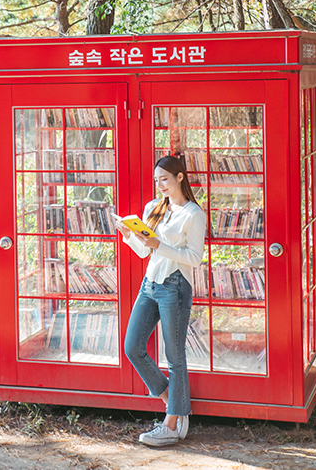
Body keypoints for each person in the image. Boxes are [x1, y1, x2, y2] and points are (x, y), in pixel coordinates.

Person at [117, 154, 206, 447]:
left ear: (180, 177)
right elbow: (145, 252)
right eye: (157, 180)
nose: (160, 185)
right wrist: (129, 235)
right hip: (150, 285)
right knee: (132, 347)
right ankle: (175, 405)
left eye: (164, 179)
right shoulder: (153, 208)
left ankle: (170, 424)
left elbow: (194, 258)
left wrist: (160, 245)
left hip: (175, 287)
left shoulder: (193, 214)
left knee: (174, 356)